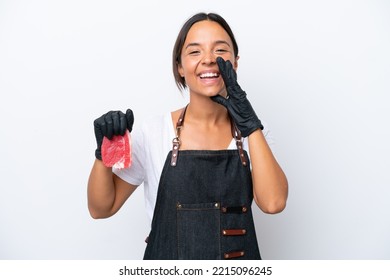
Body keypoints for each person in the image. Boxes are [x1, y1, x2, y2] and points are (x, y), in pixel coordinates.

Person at [88, 12, 288, 260]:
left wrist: (250, 124)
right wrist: (103, 154)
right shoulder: (153, 131)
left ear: (235, 63)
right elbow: (101, 208)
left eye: (220, 51)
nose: (208, 60)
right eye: (195, 52)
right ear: (180, 67)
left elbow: (274, 203)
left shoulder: (255, 132)